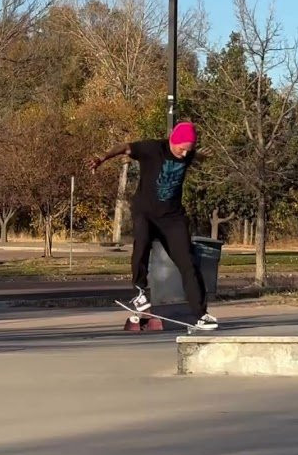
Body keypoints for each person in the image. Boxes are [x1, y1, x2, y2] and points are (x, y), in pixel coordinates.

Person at [87, 120, 217, 330]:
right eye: (182, 149)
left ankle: (201, 314)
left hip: (172, 218)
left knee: (188, 263)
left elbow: (193, 153)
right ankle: (139, 291)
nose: (184, 155)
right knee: (142, 244)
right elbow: (125, 147)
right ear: (173, 141)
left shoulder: (189, 153)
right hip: (145, 213)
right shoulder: (152, 148)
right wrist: (102, 158)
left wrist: (199, 154)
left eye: (188, 151)